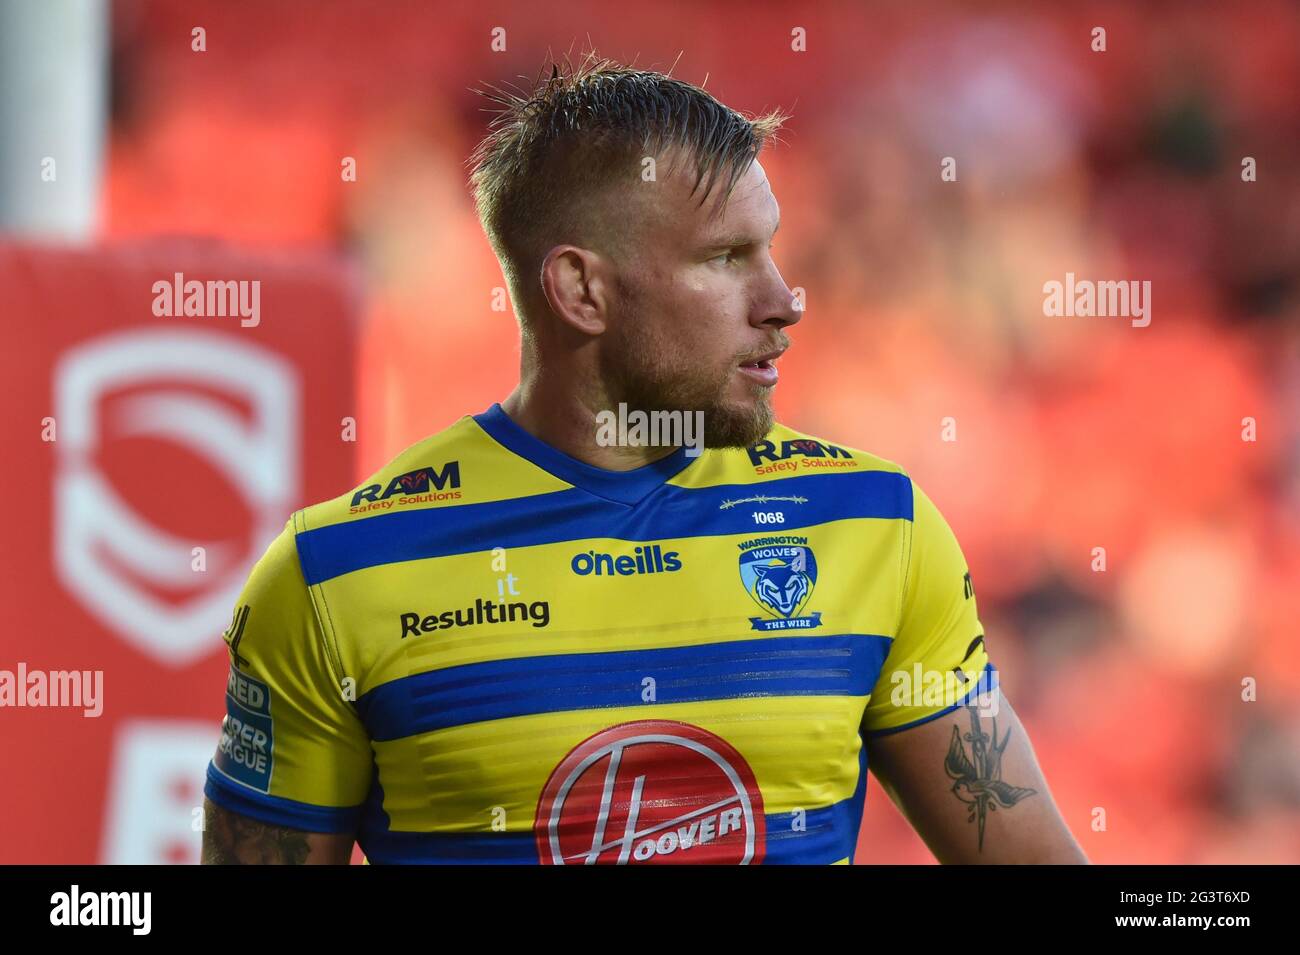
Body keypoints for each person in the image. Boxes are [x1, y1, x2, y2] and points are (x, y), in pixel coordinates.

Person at [201, 54, 1086, 865]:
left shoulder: (873, 528)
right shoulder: (338, 576)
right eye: (726, 258)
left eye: (771, 250)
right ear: (582, 290)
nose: (784, 301)